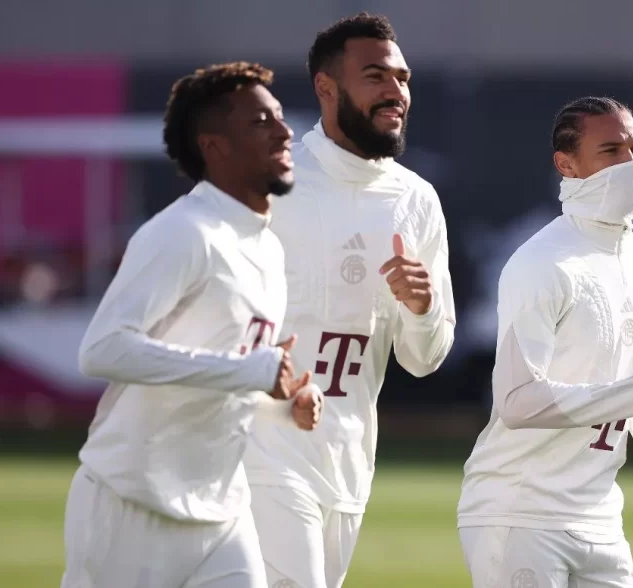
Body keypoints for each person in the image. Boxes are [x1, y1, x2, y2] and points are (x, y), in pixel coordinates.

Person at [60, 62, 322, 588]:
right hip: (132, 507)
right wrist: (250, 372)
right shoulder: (183, 232)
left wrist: (281, 403)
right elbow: (103, 350)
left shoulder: (267, 245)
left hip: (223, 514)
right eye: (260, 121)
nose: (285, 129)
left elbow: (233, 375)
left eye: (278, 116)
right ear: (215, 146)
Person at [242, 13, 456, 588]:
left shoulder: (417, 201)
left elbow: (424, 358)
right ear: (326, 88)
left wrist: (423, 308)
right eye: (375, 76)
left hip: (349, 459)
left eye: (403, 79)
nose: (396, 92)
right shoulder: (267, 182)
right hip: (262, 447)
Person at [457, 96, 633, 588]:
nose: (629, 164)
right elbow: (518, 402)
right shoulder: (541, 261)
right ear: (566, 164)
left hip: (601, 513)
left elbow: (604, 373)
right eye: (610, 150)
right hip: (519, 511)